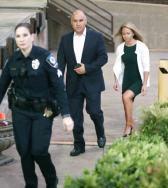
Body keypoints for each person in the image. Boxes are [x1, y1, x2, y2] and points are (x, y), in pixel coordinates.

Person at [0, 23, 74, 188]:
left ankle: (51, 180)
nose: (22, 39)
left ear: (32, 36)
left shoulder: (45, 57)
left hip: (45, 110)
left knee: (39, 150)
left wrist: (66, 115)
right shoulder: (13, 60)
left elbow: (59, 87)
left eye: (25, 35)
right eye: (18, 36)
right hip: (20, 111)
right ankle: (30, 184)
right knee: (24, 151)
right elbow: (2, 86)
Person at [57, 10, 108, 156]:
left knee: (94, 111)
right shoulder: (65, 39)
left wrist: (87, 68)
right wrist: (58, 82)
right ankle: (79, 145)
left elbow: (103, 58)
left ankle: (100, 133)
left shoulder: (96, 37)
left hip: (92, 81)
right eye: (75, 21)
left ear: (85, 21)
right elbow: (60, 64)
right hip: (73, 84)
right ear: (71, 22)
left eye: (80, 20)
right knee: (75, 116)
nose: (78, 23)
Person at [113, 22, 150, 137]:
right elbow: (117, 65)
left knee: (126, 97)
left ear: (133, 33)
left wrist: (144, 84)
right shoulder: (120, 48)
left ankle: (129, 124)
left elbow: (146, 66)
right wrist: (116, 81)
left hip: (138, 79)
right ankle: (128, 125)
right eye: (123, 34)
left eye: (128, 33)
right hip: (126, 79)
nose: (125, 36)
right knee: (126, 103)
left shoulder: (141, 46)